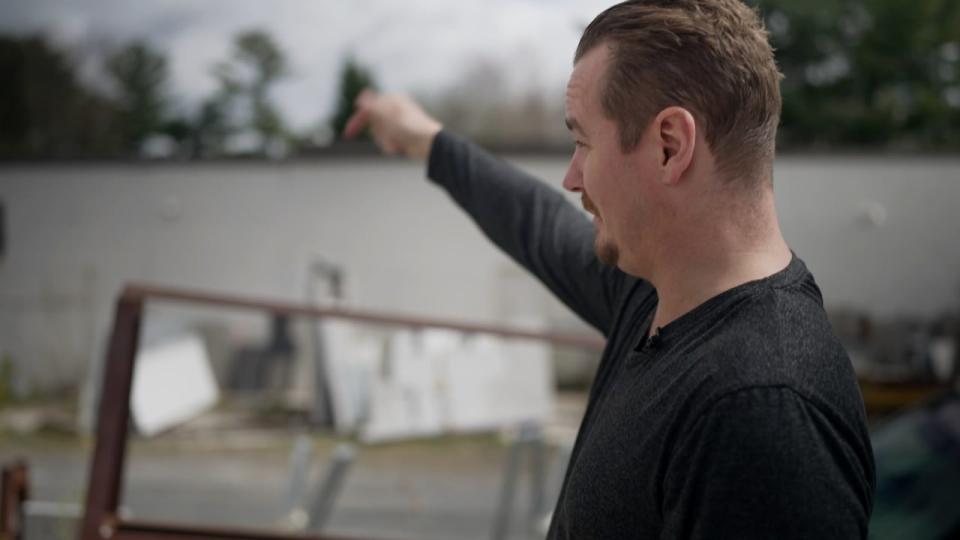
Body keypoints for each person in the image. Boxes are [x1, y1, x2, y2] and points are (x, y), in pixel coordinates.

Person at [345, 0, 875, 537]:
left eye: (582, 143)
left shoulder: (763, 413)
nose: (572, 178)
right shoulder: (658, 298)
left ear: (670, 146)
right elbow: (538, 225)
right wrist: (425, 140)